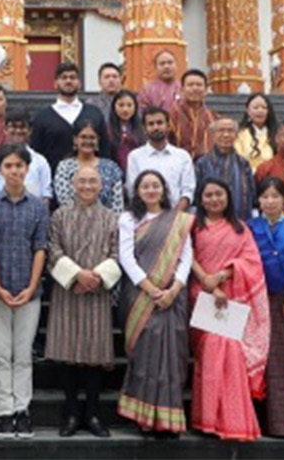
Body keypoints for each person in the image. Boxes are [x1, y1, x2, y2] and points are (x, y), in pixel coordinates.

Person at [187, 178, 270, 442]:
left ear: (228, 197)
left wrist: (222, 275)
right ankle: (207, 419)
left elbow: (251, 262)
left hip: (233, 300)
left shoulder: (240, 228)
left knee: (231, 356)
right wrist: (209, 284)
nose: (213, 199)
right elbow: (185, 256)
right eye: (208, 195)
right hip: (202, 297)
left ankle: (233, 422)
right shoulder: (192, 226)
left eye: (218, 194)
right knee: (209, 357)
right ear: (200, 199)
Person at [115, 170, 193, 438]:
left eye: (155, 186)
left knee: (172, 356)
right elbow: (125, 257)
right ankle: (144, 418)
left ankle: (168, 419)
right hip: (140, 296)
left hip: (173, 297)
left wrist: (173, 289)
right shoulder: (128, 218)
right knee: (145, 354)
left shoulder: (178, 221)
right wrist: (151, 289)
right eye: (145, 186)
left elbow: (186, 257)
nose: (150, 190)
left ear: (164, 189)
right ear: (136, 191)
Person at [0, 145, 51, 439]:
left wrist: (32, 286)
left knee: (22, 354)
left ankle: (22, 410)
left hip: (29, 291)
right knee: (1, 353)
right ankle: (4, 411)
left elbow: (40, 249)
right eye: (8, 166)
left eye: (19, 166)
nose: (14, 171)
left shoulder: (37, 206)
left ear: (27, 169)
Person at [45, 165, 119, 438]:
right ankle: (72, 413)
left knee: (95, 355)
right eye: (82, 181)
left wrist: (96, 276)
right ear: (73, 185)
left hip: (98, 292)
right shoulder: (60, 215)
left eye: (92, 181)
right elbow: (52, 248)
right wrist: (76, 274)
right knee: (67, 352)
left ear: (101, 186)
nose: (87, 186)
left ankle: (93, 413)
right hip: (68, 290)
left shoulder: (112, 218)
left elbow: (118, 252)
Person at [246, 178, 284, 438]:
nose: (270, 201)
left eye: (275, 196)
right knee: (256, 360)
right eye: (265, 196)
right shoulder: (250, 227)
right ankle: (255, 422)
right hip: (255, 300)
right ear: (258, 200)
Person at [31, 62, 109, 171]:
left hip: (91, 182)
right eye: (64, 78)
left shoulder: (94, 114)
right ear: (55, 83)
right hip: (54, 182)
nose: (68, 81)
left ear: (79, 83)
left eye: (73, 77)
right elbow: (36, 154)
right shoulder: (42, 117)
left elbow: (104, 149)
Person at [126, 107, 195, 210]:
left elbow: (188, 191)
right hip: (145, 217)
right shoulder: (135, 156)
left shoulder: (182, 156)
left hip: (177, 216)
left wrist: (174, 216)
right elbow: (133, 190)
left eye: (159, 123)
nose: (156, 127)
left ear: (168, 126)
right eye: (151, 124)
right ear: (144, 129)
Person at [52, 119, 125, 212]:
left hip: (106, 224)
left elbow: (117, 207)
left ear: (98, 140)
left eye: (92, 137)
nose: (88, 141)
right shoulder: (64, 167)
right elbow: (64, 201)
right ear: (75, 140)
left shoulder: (111, 168)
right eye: (83, 137)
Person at [195, 118, 257, 220]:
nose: (226, 135)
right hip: (210, 222)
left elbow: (251, 195)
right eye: (221, 130)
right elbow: (197, 196)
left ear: (236, 135)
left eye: (230, 131)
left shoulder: (243, 163)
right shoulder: (202, 163)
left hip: (239, 221)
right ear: (213, 135)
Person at [0, 111, 53, 201]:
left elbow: (46, 195)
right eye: (13, 127)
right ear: (5, 130)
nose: (18, 131)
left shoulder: (40, 161)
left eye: (22, 127)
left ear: (30, 131)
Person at [171, 69, 219, 158]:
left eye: (199, 85)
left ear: (206, 90)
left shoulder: (213, 117)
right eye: (190, 85)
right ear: (182, 89)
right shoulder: (172, 115)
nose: (195, 88)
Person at [106, 90, 146, 171]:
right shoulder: (107, 130)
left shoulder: (143, 130)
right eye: (121, 105)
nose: (125, 109)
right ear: (114, 107)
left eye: (129, 105)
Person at [235, 93, 277, 169]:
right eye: (256, 107)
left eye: (264, 108)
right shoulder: (239, 135)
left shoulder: (276, 134)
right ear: (247, 111)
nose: (260, 110)